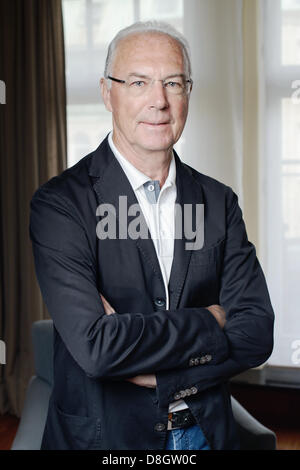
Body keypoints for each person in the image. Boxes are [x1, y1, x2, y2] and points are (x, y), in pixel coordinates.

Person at [29, 20, 274, 451]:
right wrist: (212, 319)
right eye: (139, 82)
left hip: (205, 433)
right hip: (106, 439)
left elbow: (256, 334)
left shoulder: (219, 202)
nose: (158, 101)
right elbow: (98, 349)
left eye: (173, 83)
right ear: (108, 92)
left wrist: (161, 372)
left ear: (188, 93)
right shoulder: (60, 204)